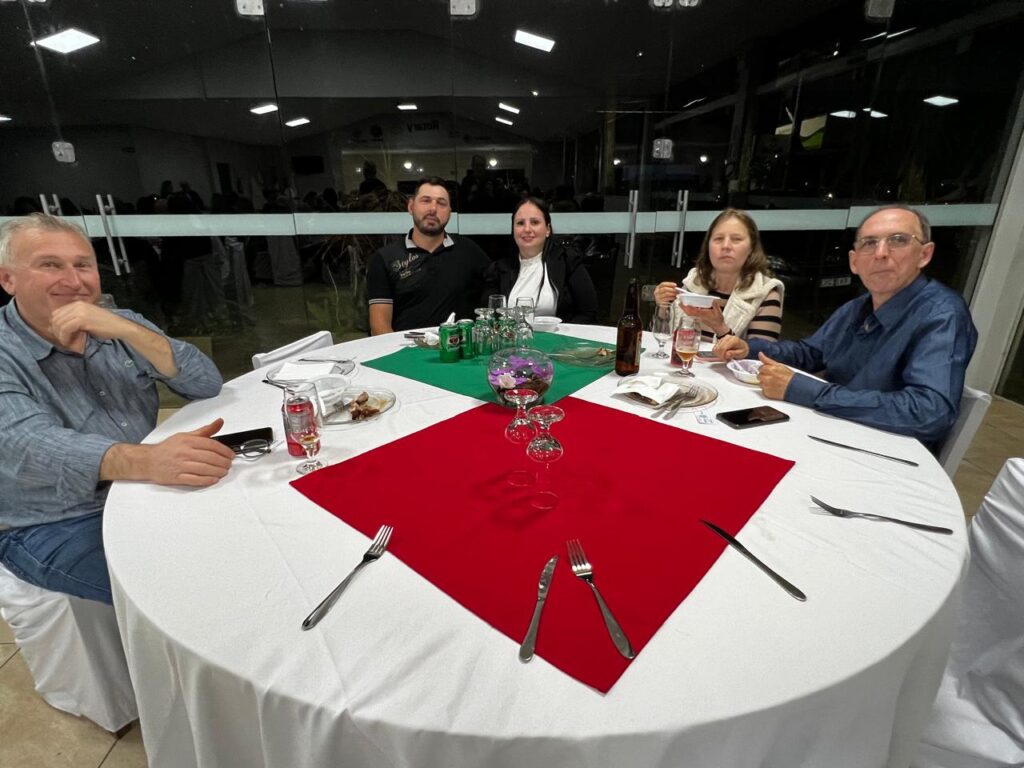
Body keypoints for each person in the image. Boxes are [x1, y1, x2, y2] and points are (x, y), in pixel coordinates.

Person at [0, 214, 235, 605]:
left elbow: (206, 382)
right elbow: (23, 444)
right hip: (53, 519)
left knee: (251, 540)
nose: (74, 281)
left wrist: (129, 331)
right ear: (8, 279)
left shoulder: (117, 323)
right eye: (50, 265)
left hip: (141, 489)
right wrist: (148, 461)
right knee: (194, 594)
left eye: (83, 265)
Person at [715, 205, 978, 446]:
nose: (881, 253)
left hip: (885, 452)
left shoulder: (942, 314)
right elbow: (809, 353)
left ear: (924, 254)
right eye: (869, 243)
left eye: (898, 240)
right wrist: (749, 348)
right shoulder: (857, 308)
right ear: (854, 261)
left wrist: (805, 391)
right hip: (835, 430)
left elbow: (929, 412)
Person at [366, 177, 489, 334]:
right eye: (426, 201)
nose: (433, 208)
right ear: (411, 206)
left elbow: (498, 290)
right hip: (405, 346)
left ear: (449, 212)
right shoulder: (384, 259)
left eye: (441, 203)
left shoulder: (469, 251)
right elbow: (379, 326)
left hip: (457, 345)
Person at [654, 208, 783, 342]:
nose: (726, 246)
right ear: (708, 246)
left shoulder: (765, 294)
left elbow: (761, 353)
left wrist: (720, 327)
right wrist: (663, 307)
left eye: (736, 239)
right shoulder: (694, 281)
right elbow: (665, 340)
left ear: (751, 248)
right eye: (718, 239)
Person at [483, 197, 598, 323]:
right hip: (512, 335)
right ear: (513, 230)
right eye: (520, 223)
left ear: (548, 229)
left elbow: (588, 312)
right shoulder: (498, 269)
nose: (527, 229)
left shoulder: (567, 261)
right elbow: (489, 315)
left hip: (558, 335)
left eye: (535, 222)